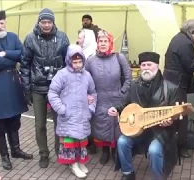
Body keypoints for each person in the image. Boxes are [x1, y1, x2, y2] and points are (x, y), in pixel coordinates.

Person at [109, 52, 180, 180]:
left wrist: (171, 122)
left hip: (160, 132)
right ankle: (128, 173)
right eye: (143, 65)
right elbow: (126, 103)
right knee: (122, 141)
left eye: (149, 64)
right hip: (138, 130)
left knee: (154, 150)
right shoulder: (134, 85)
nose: (146, 68)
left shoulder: (170, 88)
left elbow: (177, 117)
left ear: (157, 66)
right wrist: (117, 109)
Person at [0, 10, 33, 170]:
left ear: (5, 23)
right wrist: (12, 60)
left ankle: (16, 150)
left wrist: (6, 53)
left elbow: (23, 54)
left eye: (2, 23)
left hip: (12, 84)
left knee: (14, 120)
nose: (0, 26)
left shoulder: (13, 37)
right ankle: (5, 156)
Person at [20, 8, 70, 168]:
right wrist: (26, 89)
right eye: (44, 22)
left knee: (59, 123)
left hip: (58, 88)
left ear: (53, 22)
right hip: (38, 88)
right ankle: (44, 154)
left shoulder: (62, 37)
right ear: (39, 22)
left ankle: (59, 150)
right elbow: (25, 65)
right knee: (40, 124)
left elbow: (69, 63)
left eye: (49, 22)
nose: (47, 25)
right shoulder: (30, 38)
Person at [48, 44, 97, 178]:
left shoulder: (87, 75)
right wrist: (61, 109)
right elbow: (52, 93)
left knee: (81, 141)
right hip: (67, 116)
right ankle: (73, 164)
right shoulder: (62, 74)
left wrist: (91, 108)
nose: (77, 64)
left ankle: (80, 162)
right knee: (71, 142)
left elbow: (93, 92)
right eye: (74, 62)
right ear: (69, 61)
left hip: (82, 116)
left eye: (80, 61)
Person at [85, 30, 132, 165]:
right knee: (102, 126)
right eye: (100, 41)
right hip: (100, 99)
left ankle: (116, 151)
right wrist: (89, 95)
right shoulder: (91, 60)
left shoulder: (119, 57)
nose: (103, 43)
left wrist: (122, 92)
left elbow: (128, 78)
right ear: (97, 43)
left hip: (117, 98)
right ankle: (105, 151)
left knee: (116, 126)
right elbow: (85, 80)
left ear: (110, 42)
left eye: (106, 41)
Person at [163, 19, 194, 158]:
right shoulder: (186, 43)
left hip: (170, 82)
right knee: (181, 115)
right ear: (192, 31)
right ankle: (179, 147)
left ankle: (173, 145)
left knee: (173, 114)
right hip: (178, 84)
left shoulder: (178, 38)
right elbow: (189, 66)